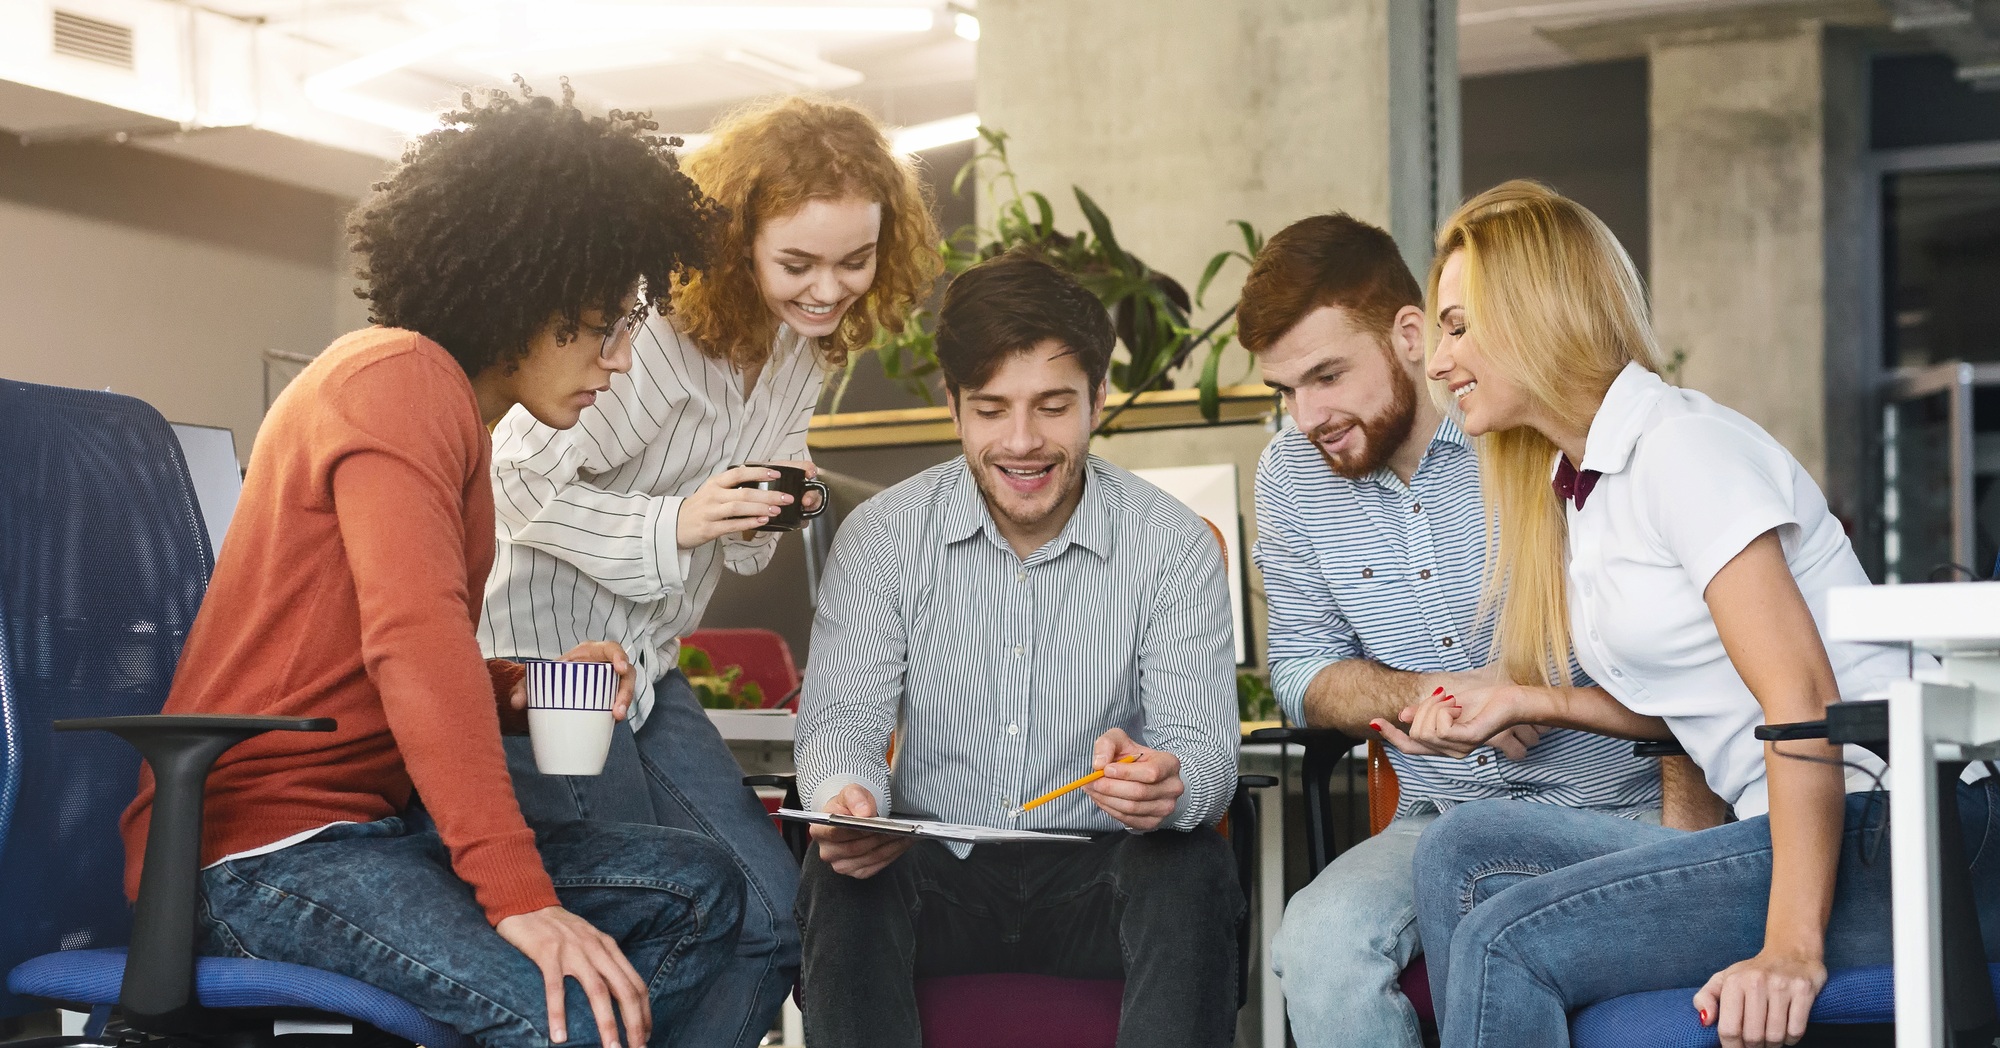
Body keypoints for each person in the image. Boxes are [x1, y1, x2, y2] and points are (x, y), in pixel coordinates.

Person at [119, 81, 745, 1048]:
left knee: (697, 889)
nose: (621, 358)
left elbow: (377, 655)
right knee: (565, 1011)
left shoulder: (449, 409)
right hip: (261, 850)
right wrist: (518, 897)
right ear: (521, 293)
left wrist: (524, 688)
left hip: (365, 835)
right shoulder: (397, 381)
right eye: (602, 322)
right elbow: (411, 643)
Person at [1406, 180, 2000, 1048]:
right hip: (1791, 820)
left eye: (1458, 327)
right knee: (1458, 851)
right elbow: (1704, 691)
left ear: (1537, 311)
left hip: (1906, 832)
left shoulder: (1682, 450)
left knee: (1508, 942)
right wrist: (1531, 700)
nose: (1435, 360)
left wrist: (1790, 948)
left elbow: (1799, 693)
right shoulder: (1581, 485)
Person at [476, 94, 941, 1048]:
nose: (828, 290)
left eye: (856, 262)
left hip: (646, 661)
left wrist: (773, 505)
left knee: (775, 919)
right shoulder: (645, 342)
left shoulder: (794, 348)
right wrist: (674, 521)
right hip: (542, 665)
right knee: (637, 919)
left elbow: (737, 534)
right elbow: (508, 481)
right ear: (738, 243)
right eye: (798, 262)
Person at [792, 250, 1243, 1048]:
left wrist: (1169, 785)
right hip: (937, 875)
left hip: (1101, 876)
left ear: (1098, 399)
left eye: (1053, 406)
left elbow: (1202, 751)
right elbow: (843, 723)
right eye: (992, 408)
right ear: (954, 405)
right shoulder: (883, 539)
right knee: (845, 874)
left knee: (1191, 866)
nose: (1024, 442)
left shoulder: (1172, 545)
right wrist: (848, 798)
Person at [1240, 212, 1665, 1048]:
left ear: (1409, 334)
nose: (1307, 415)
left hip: (1617, 805)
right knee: (1318, 947)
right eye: (1285, 391)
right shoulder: (1289, 476)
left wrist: (1526, 694)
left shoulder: (1528, 427)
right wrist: (1415, 694)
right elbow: (1297, 666)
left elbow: (1680, 656)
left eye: (1327, 375)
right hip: (1441, 819)